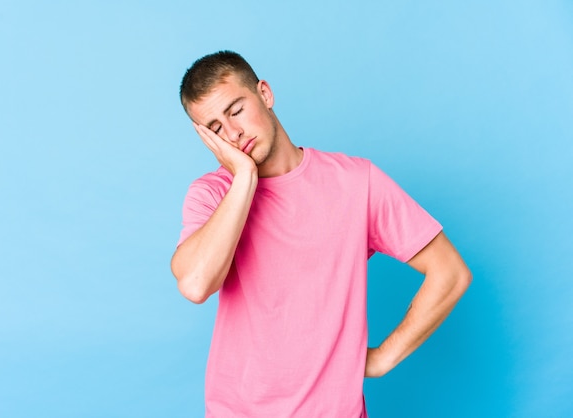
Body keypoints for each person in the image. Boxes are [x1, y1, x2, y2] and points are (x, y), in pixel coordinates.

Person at [171, 50, 471, 418]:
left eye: (236, 110)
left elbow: (450, 273)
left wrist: (381, 359)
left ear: (264, 94)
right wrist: (245, 177)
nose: (233, 133)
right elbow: (196, 284)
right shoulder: (212, 195)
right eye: (215, 128)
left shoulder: (356, 182)